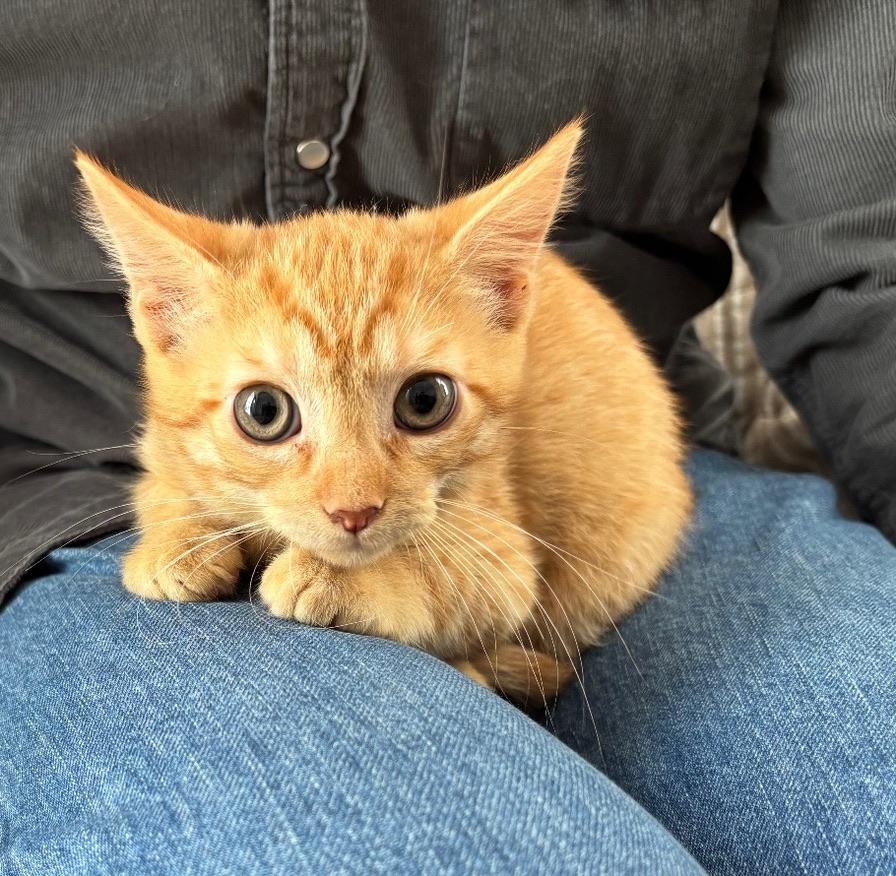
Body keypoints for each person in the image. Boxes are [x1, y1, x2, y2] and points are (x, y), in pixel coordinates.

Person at [1, 2, 894, 872]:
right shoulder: (200, 331)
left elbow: (502, 576)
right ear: (162, 317)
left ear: (508, 291)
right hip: (52, 493)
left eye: (420, 404)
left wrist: (397, 590)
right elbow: (168, 472)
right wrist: (183, 526)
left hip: (618, 534)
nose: (353, 497)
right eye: (268, 413)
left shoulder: (469, 310)